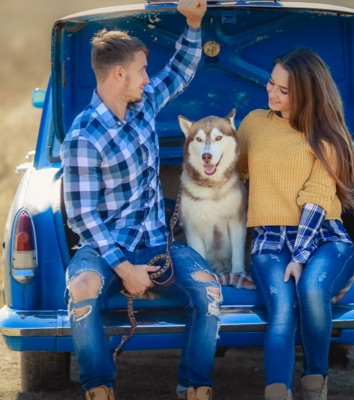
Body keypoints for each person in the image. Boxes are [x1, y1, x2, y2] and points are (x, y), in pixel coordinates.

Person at [60, 1, 221, 399]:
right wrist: (124, 268)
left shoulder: (143, 104)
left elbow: (179, 72)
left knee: (210, 292)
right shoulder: (84, 136)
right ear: (119, 74)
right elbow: (82, 216)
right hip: (104, 248)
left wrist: (194, 21)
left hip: (154, 240)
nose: (148, 80)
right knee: (81, 288)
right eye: (141, 71)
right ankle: (99, 388)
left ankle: (194, 388)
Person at [236, 48, 354, 400]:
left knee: (311, 291)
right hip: (270, 242)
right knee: (282, 307)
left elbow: (318, 198)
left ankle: (315, 381)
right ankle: (277, 392)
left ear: (305, 94)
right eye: (271, 83)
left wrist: (302, 256)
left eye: (283, 90)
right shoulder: (254, 124)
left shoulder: (326, 138)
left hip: (324, 238)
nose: (271, 92)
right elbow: (236, 170)